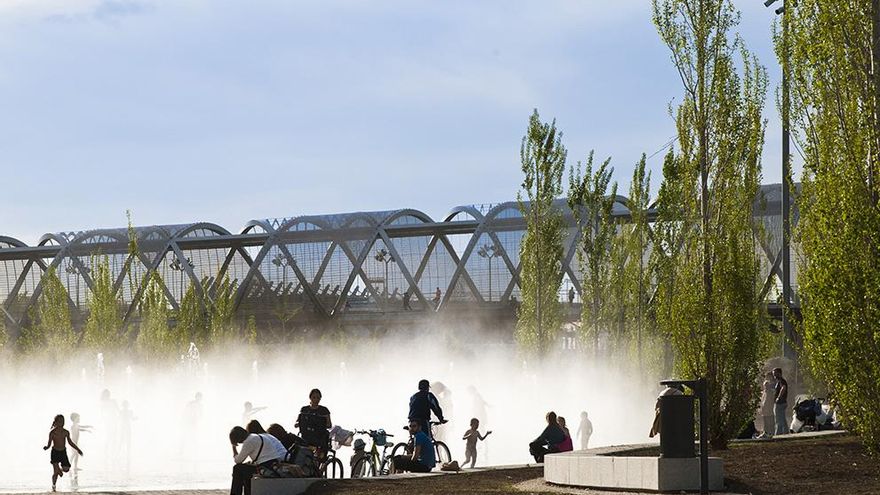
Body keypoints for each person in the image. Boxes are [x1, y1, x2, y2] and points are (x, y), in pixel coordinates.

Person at [229, 426, 287, 495]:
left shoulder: (248, 441)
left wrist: (234, 448)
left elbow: (238, 460)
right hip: (273, 465)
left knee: (237, 468)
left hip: (265, 467)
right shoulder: (257, 436)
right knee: (245, 470)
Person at [44, 414, 83, 492]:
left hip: (63, 452)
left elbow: (70, 442)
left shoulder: (66, 432)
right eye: (60, 421)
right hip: (55, 452)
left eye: (63, 421)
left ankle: (59, 469)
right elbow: (49, 444)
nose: (62, 423)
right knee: (55, 473)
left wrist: (78, 449)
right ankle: (54, 486)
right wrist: (46, 447)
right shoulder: (52, 433)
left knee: (66, 469)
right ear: (56, 422)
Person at [296, 388, 332, 454]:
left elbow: (329, 425)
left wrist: (319, 424)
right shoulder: (304, 409)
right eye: (314, 397)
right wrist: (300, 423)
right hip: (306, 436)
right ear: (310, 398)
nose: (316, 400)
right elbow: (297, 422)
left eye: (318, 398)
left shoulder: (324, 410)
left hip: (319, 436)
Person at [759, 371, 776, 438]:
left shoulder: (771, 386)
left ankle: (770, 432)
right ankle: (766, 432)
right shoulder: (767, 389)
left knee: (770, 418)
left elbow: (769, 397)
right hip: (765, 404)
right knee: (765, 418)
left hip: (768, 404)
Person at [773, 367, 789, 435]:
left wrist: (778, 397)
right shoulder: (779, 381)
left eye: (775, 373)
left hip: (780, 403)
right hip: (781, 402)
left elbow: (783, 388)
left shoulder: (781, 381)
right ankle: (785, 432)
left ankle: (778, 433)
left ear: (779, 373)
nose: (774, 375)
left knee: (778, 419)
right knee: (782, 418)